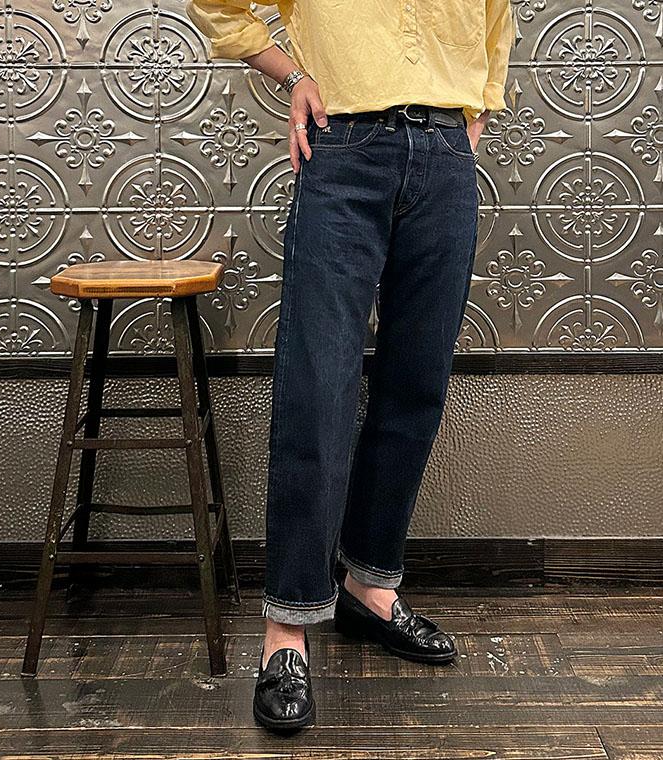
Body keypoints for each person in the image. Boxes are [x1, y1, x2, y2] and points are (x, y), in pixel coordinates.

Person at [185, 0, 515, 732]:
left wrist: (472, 121)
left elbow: (497, 26)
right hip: (345, 150)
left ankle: (371, 587)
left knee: (416, 384)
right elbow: (218, 7)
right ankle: (287, 627)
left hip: (445, 155)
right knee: (318, 388)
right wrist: (294, 75)